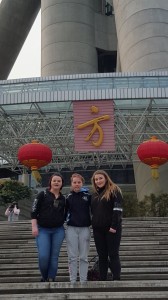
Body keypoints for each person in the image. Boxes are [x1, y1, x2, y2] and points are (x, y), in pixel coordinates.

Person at [31, 173, 65, 282]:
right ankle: (44, 276)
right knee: (44, 256)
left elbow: (66, 213)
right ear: (50, 182)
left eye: (59, 181)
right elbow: (34, 211)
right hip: (43, 230)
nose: (56, 182)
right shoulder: (43, 194)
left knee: (54, 257)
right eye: (54, 180)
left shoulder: (63, 198)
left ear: (62, 184)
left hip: (58, 230)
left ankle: (51, 278)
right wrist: (34, 227)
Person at [91, 170, 123, 281]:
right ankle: (103, 279)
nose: (98, 181)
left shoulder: (114, 190)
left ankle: (116, 279)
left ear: (106, 178)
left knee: (113, 254)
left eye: (100, 178)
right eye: (96, 179)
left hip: (112, 229)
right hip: (98, 230)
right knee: (102, 256)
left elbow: (118, 209)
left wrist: (114, 226)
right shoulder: (94, 195)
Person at [65, 173, 91, 283]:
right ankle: (73, 280)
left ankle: (83, 280)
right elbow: (64, 212)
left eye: (79, 182)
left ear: (82, 183)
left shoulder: (88, 196)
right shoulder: (68, 197)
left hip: (85, 228)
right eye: (74, 182)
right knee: (72, 257)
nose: (76, 184)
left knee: (84, 257)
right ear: (71, 184)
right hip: (71, 228)